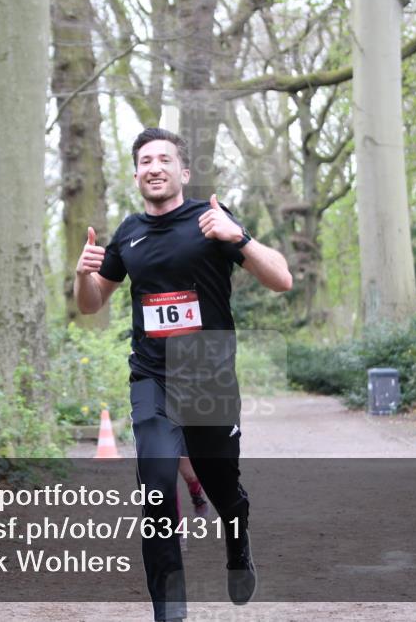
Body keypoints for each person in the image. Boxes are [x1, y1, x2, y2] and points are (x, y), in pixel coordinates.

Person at [74, 127, 292, 622]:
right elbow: (90, 305)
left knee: (222, 487)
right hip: (152, 377)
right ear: (135, 174)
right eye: (145, 160)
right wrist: (82, 274)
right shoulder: (127, 234)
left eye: (164, 159)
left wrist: (240, 238)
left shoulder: (209, 220)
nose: (154, 167)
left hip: (208, 374)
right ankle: (169, 613)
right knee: (154, 488)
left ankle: (238, 540)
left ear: (183, 171)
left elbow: (281, 278)